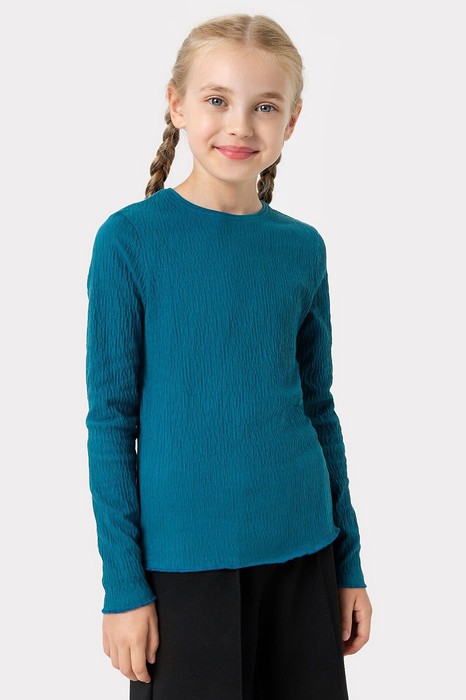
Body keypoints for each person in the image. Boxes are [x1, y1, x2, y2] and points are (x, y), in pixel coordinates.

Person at [85, 12, 373, 700]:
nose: (240, 125)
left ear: (291, 122)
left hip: (304, 553)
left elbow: (318, 409)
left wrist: (348, 563)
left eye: (264, 106)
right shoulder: (129, 241)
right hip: (182, 569)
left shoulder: (301, 247)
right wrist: (124, 585)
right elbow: (111, 422)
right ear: (177, 104)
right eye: (217, 99)